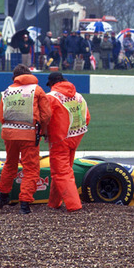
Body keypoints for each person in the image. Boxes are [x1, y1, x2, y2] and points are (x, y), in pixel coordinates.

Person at [0, 64, 52, 214]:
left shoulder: (8, 91)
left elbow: (1, 116)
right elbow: (46, 114)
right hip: (29, 134)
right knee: (31, 169)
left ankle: (2, 198)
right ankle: (25, 204)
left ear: (15, 77)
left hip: (8, 134)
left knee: (9, 164)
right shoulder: (37, 90)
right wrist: (43, 130)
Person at [45, 72, 90, 212]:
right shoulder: (78, 96)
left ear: (52, 84)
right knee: (61, 170)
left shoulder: (51, 97)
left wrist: (42, 133)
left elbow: (45, 118)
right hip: (76, 137)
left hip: (60, 139)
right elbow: (86, 117)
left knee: (61, 173)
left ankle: (74, 205)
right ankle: (54, 203)